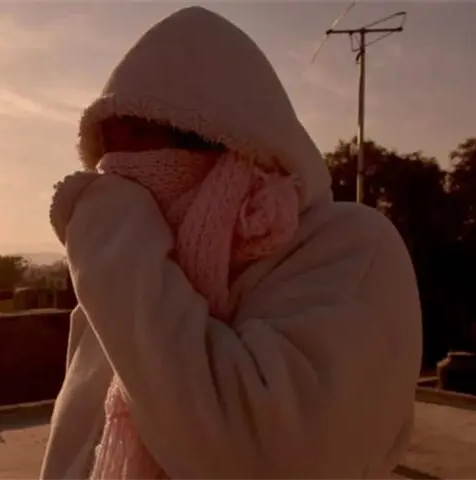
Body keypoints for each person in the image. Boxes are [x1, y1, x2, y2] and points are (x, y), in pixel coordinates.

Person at [43, 6, 421, 480]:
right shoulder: (132, 271)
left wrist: (110, 229)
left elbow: (258, 456)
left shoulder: (350, 246)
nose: (114, 176)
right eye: (108, 149)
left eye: (140, 133)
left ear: (226, 137)